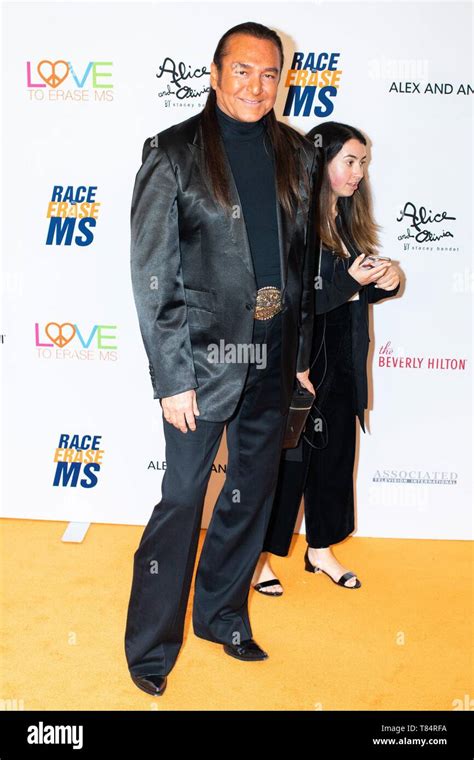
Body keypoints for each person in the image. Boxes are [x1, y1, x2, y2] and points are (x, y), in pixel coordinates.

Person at [124, 22, 318, 696]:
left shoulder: (297, 153)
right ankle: (150, 648)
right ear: (214, 73)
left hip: (272, 352)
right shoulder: (174, 153)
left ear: (282, 80)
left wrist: (299, 354)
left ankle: (222, 615)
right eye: (242, 71)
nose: (256, 86)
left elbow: (302, 263)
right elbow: (154, 276)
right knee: (182, 498)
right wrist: (172, 377)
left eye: (270, 74)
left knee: (249, 495)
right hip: (203, 359)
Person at [251, 121, 401, 596]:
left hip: (341, 361)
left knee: (335, 459)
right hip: (301, 362)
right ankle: (257, 559)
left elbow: (347, 295)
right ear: (322, 162)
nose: (359, 172)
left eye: (364, 163)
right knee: (285, 466)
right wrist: (350, 283)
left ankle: (321, 549)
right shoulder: (293, 219)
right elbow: (290, 301)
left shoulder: (346, 221)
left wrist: (383, 280)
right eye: (350, 161)